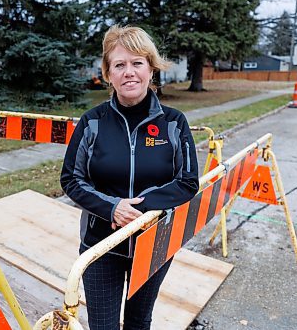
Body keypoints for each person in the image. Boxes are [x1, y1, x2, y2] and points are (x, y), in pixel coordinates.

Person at [60, 24, 199, 330]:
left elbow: (188, 180)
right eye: (119, 65)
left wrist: (138, 211)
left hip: (155, 243)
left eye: (137, 63)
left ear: (151, 69)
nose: (129, 72)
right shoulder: (92, 121)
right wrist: (112, 208)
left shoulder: (174, 122)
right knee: (103, 326)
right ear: (108, 74)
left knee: (138, 322)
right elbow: (71, 178)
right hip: (100, 245)